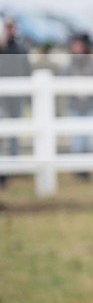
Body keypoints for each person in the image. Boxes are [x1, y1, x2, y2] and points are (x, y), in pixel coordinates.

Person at [61, 33, 93, 180]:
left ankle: (86, 169)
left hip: (90, 105)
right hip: (75, 105)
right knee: (77, 140)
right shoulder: (70, 64)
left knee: (87, 139)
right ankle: (78, 169)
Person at [0, 18, 32, 189]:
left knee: (14, 134)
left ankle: (11, 167)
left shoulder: (20, 48)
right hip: (2, 99)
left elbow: (26, 70)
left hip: (15, 98)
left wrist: (29, 96)